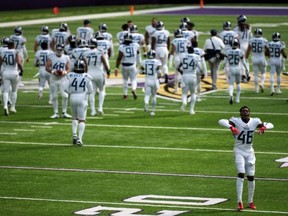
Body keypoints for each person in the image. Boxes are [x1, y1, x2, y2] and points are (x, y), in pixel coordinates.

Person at [218, 106, 274, 211]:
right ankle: (239, 201)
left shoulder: (255, 121)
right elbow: (221, 121)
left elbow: (270, 124)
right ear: (240, 113)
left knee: (251, 176)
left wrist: (263, 128)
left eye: (247, 111)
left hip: (249, 152)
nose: (245, 112)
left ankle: (250, 201)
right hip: (239, 150)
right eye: (243, 111)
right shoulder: (236, 121)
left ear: (249, 113)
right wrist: (231, 127)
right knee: (241, 173)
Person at [63, 59, 93, 146]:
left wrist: (71, 92)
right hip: (82, 97)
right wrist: (84, 93)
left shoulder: (70, 75)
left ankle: (74, 134)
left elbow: (64, 87)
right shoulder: (87, 76)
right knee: (82, 120)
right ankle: (79, 138)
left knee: (74, 118)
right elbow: (90, 90)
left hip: (72, 96)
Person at [83, 37, 110, 116]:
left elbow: (84, 65)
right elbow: (105, 62)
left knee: (92, 93)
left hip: (89, 74)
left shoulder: (85, 53)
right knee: (102, 90)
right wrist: (108, 71)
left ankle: (92, 110)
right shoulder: (99, 52)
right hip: (99, 73)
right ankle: (100, 108)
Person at [45, 43, 71, 119]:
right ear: (55, 49)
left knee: (65, 96)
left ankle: (64, 112)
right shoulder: (51, 57)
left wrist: (65, 72)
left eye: (61, 50)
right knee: (54, 96)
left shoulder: (66, 57)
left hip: (63, 79)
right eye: (58, 50)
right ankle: (56, 113)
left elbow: (68, 68)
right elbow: (47, 67)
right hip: (54, 79)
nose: (59, 51)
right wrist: (53, 71)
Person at [0, 38, 23, 115]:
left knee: (6, 91)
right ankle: (12, 107)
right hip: (14, 72)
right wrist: (21, 70)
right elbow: (19, 63)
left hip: (5, 72)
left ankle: (5, 106)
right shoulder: (16, 52)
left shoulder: (3, 52)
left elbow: (0, 63)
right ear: (13, 45)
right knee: (14, 90)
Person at [177, 46, 203, 115]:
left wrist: (181, 72)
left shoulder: (183, 56)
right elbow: (200, 68)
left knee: (184, 93)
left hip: (185, 76)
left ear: (187, 51)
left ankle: (184, 102)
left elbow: (178, 67)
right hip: (193, 76)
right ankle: (191, 110)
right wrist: (202, 73)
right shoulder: (196, 57)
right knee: (193, 93)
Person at [223, 38, 249, 104]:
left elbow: (225, 62)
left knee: (231, 84)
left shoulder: (227, 51)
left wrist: (223, 68)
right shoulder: (240, 51)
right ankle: (237, 98)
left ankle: (231, 95)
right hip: (238, 68)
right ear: (237, 44)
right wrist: (246, 69)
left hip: (231, 68)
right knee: (238, 83)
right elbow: (243, 62)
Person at [115, 33, 140, 99]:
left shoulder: (121, 46)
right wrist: (137, 63)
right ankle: (133, 89)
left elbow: (119, 58)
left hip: (124, 65)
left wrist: (116, 68)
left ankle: (125, 95)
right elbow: (138, 55)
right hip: (132, 65)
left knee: (125, 80)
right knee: (133, 79)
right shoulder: (136, 45)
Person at [245, 28, 268, 93]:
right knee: (263, 73)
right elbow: (267, 50)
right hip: (261, 58)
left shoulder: (251, 40)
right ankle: (262, 83)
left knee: (256, 74)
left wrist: (246, 58)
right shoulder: (264, 40)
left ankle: (256, 89)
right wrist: (268, 54)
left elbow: (248, 50)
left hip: (254, 58)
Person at [140, 49, 161, 116]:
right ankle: (153, 111)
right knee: (154, 96)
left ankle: (146, 103)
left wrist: (144, 72)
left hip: (147, 80)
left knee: (147, 95)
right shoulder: (157, 62)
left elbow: (140, 71)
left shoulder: (144, 62)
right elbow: (159, 73)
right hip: (154, 80)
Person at [169, 29, 190, 93]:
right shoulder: (186, 40)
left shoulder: (174, 40)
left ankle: (176, 89)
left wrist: (170, 61)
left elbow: (173, 51)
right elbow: (189, 49)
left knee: (177, 73)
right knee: (185, 73)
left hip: (178, 57)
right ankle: (186, 88)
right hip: (185, 57)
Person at [234, 15, 253, 83]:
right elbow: (251, 37)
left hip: (241, 45)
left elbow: (236, 39)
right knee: (246, 61)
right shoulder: (249, 27)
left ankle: (243, 76)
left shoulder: (237, 28)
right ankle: (248, 74)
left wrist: (236, 47)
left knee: (241, 62)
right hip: (247, 45)